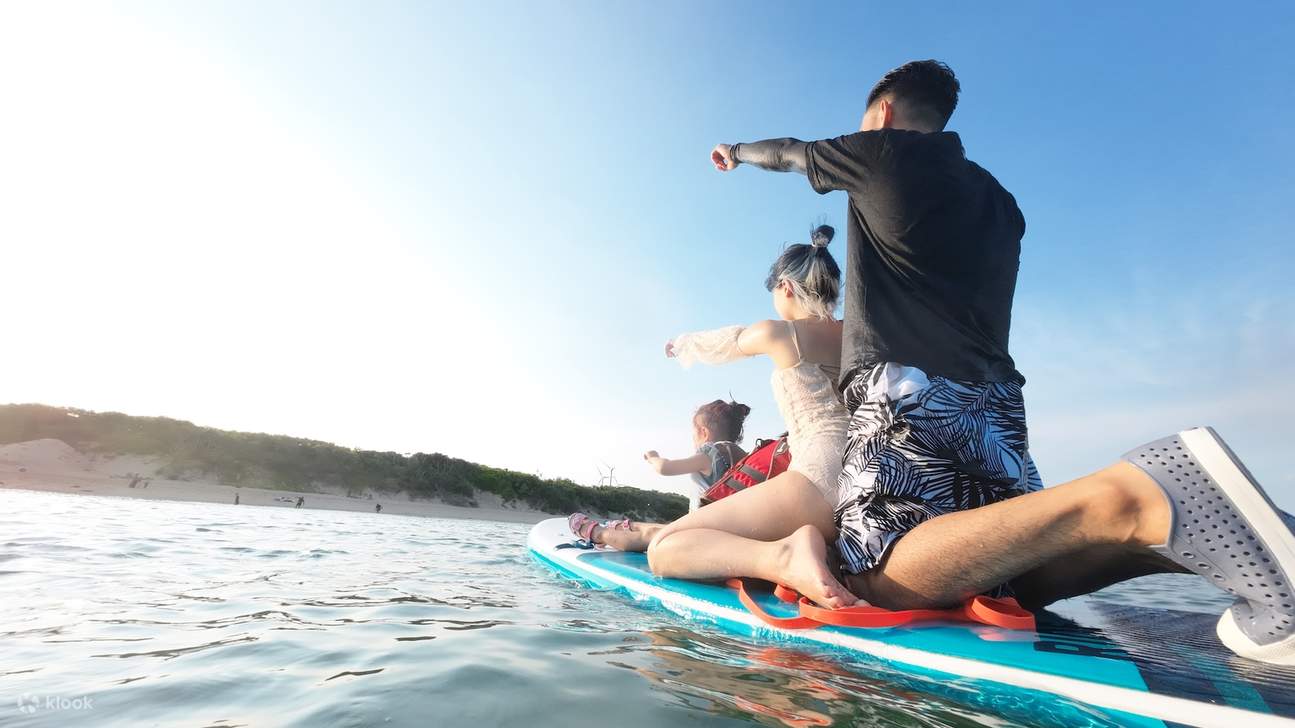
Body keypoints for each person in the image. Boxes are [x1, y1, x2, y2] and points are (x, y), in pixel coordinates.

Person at [711, 59, 1295, 663]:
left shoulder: (882, 152)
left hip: (905, 388)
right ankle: (1191, 531)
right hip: (993, 404)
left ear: (883, 113)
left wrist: (736, 150)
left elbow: (787, 152)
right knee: (1005, 573)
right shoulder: (999, 200)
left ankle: (1140, 492)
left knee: (872, 576)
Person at [637, 225, 855, 609]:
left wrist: (682, 343)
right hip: (873, 476)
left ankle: (782, 558)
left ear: (785, 286)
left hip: (822, 477)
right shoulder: (861, 336)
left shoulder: (782, 333)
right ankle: (806, 553)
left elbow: (731, 343)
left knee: (665, 549)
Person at [567, 399, 751, 551]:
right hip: (730, 532)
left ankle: (597, 533)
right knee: (662, 528)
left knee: (651, 536)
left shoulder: (710, 453)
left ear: (703, 432)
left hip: (702, 535)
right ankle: (621, 527)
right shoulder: (744, 457)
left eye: (693, 433)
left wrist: (653, 457)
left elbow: (665, 468)